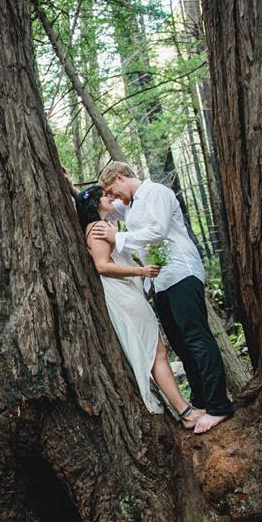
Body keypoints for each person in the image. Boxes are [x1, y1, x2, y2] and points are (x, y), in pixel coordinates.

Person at [90, 162, 234, 433]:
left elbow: (158, 231)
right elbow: (101, 207)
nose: (112, 197)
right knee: (180, 343)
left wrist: (117, 236)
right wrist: (69, 187)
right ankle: (201, 401)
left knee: (196, 337)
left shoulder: (155, 193)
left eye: (112, 190)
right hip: (161, 281)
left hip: (181, 272)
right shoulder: (130, 204)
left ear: (121, 178)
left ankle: (219, 406)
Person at [75, 183, 203, 428]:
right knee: (156, 353)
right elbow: (102, 266)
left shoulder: (104, 225)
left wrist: (72, 189)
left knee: (157, 352)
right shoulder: (96, 229)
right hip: (123, 295)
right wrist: (140, 270)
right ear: (95, 204)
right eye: (106, 196)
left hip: (129, 291)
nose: (111, 198)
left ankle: (182, 407)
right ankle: (185, 413)